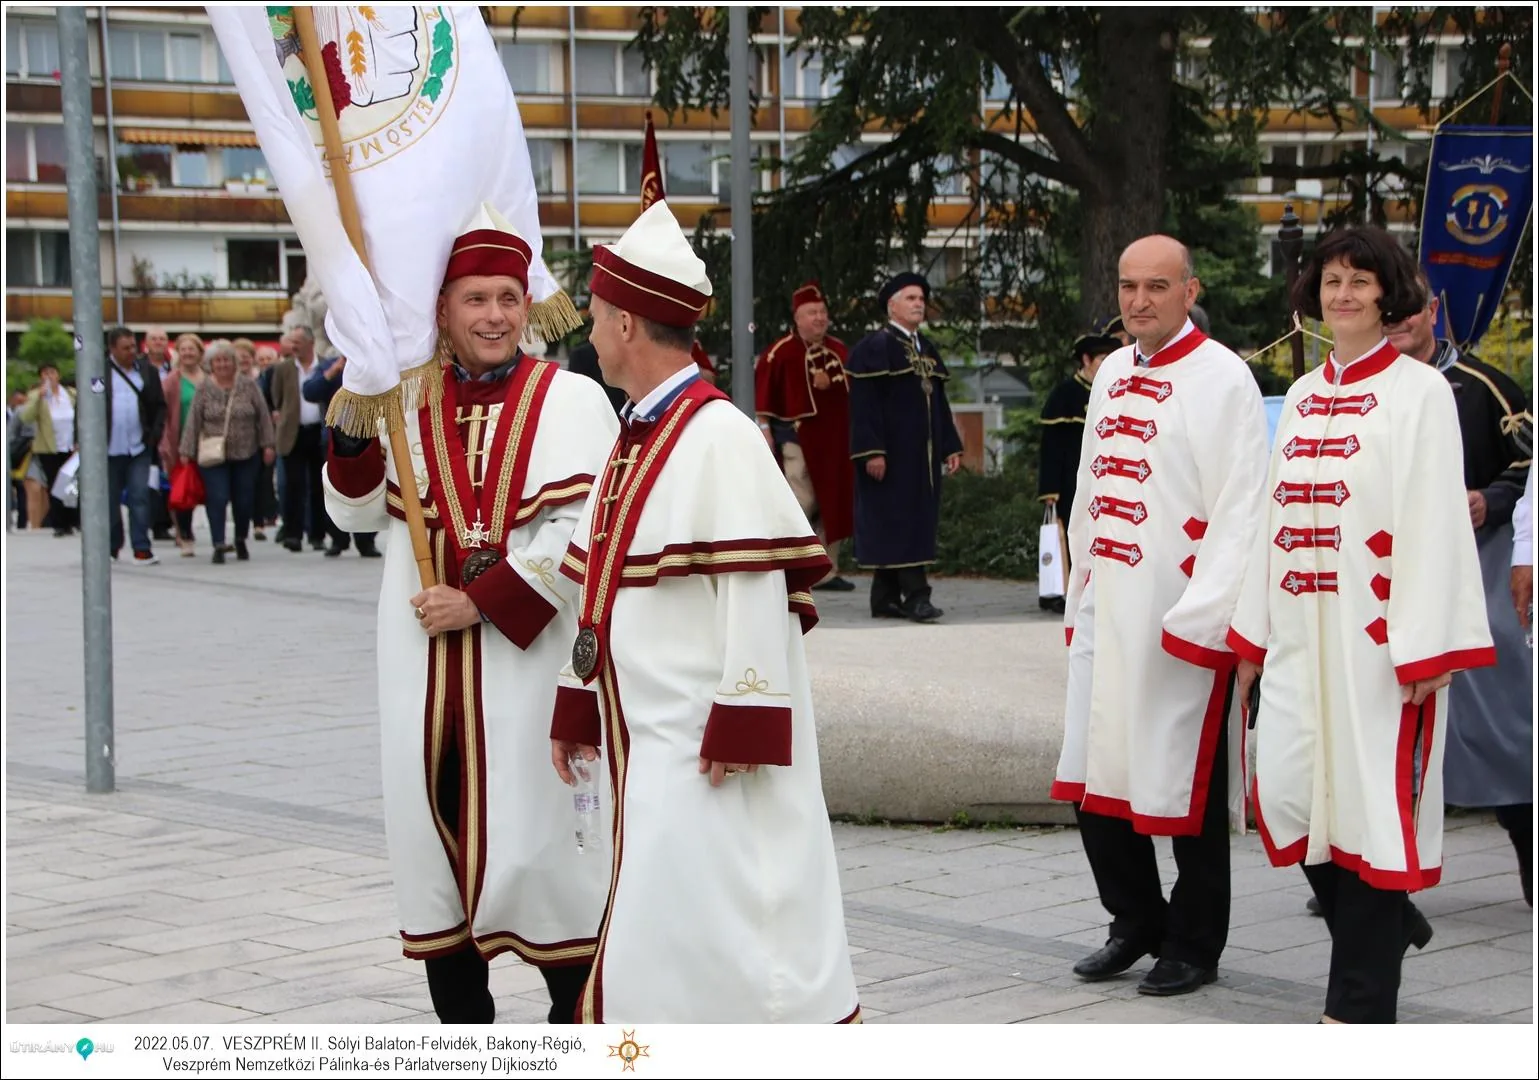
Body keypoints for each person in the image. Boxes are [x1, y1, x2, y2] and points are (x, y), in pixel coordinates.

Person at [547, 199, 860, 1025]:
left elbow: (756, 585)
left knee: (729, 921)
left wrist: (745, 718)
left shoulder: (716, 432)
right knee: (665, 921)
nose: (589, 324)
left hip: (702, 743)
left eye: (595, 311)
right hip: (644, 736)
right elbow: (597, 587)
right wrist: (578, 701)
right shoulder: (637, 430)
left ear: (623, 324)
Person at [323, 205, 618, 1025]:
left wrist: (481, 601)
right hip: (426, 688)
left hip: (525, 679)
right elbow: (350, 516)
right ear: (443, 310)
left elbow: (588, 532)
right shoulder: (401, 400)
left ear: (528, 308)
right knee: (437, 875)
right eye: (475, 300)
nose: (494, 316)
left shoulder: (571, 399)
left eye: (508, 299)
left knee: (553, 874)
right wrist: (353, 423)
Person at [1228, 226, 1495, 1024]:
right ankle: (1390, 926)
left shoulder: (1420, 393)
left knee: (1373, 818)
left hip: (1381, 644)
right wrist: (1252, 636)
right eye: (1331, 281)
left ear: (1389, 296)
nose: (1342, 295)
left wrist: (1429, 647)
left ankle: (1357, 1010)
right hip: (1301, 639)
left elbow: (1435, 521)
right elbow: (1271, 516)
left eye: (1359, 282)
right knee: (1288, 795)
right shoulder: (1305, 393)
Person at [1052, 234, 1269, 997]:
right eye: (1126, 286)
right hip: (1106, 603)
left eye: (1155, 286)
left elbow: (1242, 506)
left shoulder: (1223, 379)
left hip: (1176, 612)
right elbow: (1086, 488)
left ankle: (1194, 941)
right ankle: (1133, 920)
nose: (1137, 300)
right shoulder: (1110, 370)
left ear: (1188, 289)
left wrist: (1210, 617)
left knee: (1186, 786)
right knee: (1092, 777)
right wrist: (1076, 590)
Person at [1383, 274, 1533, 908]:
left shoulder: (1484, 387)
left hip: (1474, 564)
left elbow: (1529, 463)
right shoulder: (1361, 392)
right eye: (1387, 310)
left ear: (1433, 311)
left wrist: (1489, 498)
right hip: (1383, 574)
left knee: (1501, 714)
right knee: (1384, 725)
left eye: (1410, 309)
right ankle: (1372, 873)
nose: (1399, 321)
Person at [846, 272, 965, 622]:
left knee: (908, 522)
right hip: (890, 456)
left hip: (920, 459)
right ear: (891, 305)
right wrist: (871, 450)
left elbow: (938, 403)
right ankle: (916, 596)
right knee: (897, 522)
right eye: (910, 298)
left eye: (921, 299)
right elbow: (863, 406)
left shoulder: (925, 348)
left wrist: (949, 446)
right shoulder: (874, 348)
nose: (918, 304)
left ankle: (883, 598)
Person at [755, 282, 856, 592]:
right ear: (797, 317)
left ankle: (827, 570)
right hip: (797, 438)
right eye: (812, 313)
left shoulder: (839, 350)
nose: (819, 318)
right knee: (803, 500)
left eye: (823, 312)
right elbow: (764, 398)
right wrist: (765, 431)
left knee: (833, 503)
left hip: (836, 441)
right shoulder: (780, 353)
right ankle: (789, 562)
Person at [1036, 326, 1121, 613]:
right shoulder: (1065, 395)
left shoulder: (1115, 392)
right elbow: (1051, 447)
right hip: (1069, 481)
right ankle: (1063, 591)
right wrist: (1049, 489)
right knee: (1074, 535)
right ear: (1086, 361)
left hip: (1108, 479)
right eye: (1100, 361)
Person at [178, 340, 275, 564]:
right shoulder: (204, 387)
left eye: (227, 360)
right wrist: (186, 449)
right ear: (211, 364)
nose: (222, 365)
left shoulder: (249, 385)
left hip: (246, 452)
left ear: (234, 363)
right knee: (218, 497)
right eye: (218, 361)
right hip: (213, 455)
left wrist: (268, 444)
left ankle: (240, 538)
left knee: (243, 500)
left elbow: (263, 416)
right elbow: (193, 419)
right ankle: (218, 543)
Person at [104, 325, 168, 564]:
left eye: (134, 346)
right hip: (109, 448)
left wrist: (155, 435)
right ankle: (111, 546)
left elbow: (159, 405)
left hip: (139, 446)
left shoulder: (147, 371)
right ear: (112, 349)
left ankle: (141, 546)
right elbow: (88, 405)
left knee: (140, 496)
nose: (131, 351)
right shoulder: (100, 372)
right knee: (109, 500)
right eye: (125, 348)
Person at [17, 361, 77, 536]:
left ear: (58, 375)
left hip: (69, 445)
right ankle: (59, 523)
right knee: (55, 482)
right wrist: (38, 397)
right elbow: (26, 417)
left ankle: (72, 519)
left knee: (71, 483)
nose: (49, 376)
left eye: (52, 372)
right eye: (45, 373)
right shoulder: (37, 395)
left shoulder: (70, 394)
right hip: (48, 447)